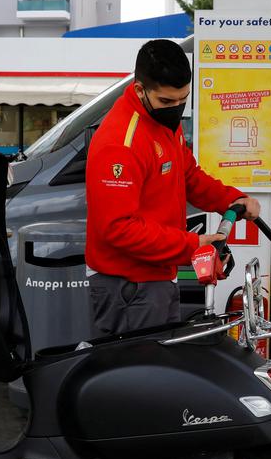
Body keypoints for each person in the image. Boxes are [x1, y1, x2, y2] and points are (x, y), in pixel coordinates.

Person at [86, 39, 260, 336]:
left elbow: (187, 175)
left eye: (183, 99)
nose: (176, 109)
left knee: (162, 364)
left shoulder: (163, 122)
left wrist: (232, 199)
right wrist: (193, 245)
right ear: (140, 90)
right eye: (167, 101)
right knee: (139, 366)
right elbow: (117, 228)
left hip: (157, 277)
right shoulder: (120, 144)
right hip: (129, 288)